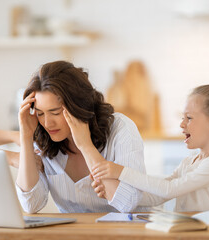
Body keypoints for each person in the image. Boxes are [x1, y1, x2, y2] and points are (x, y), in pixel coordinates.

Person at [91, 82, 209, 212]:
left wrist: (120, 171)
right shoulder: (189, 162)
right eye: (183, 117)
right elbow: (158, 196)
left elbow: (169, 189)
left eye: (189, 118)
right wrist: (116, 193)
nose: (182, 124)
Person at [16, 60, 148, 213]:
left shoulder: (120, 128)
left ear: (78, 105)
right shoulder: (44, 139)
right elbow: (31, 205)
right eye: (40, 113)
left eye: (55, 112)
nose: (47, 123)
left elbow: (128, 203)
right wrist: (26, 136)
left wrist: (85, 146)